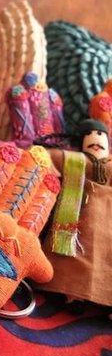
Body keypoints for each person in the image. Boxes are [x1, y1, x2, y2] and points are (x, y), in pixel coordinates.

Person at [40, 119, 112, 315]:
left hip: (108, 219)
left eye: (100, 135)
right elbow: (47, 156)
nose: (96, 140)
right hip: (78, 215)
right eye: (90, 135)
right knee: (74, 258)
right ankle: (72, 295)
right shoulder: (74, 159)